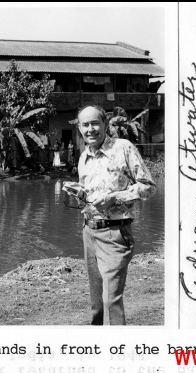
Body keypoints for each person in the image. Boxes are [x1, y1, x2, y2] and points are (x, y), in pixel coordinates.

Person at [62, 105, 156, 325]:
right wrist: (79, 193)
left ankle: (117, 350)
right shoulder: (84, 156)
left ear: (105, 124)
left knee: (110, 299)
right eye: (85, 125)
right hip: (89, 232)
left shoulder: (123, 148)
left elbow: (149, 187)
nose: (90, 129)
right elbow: (89, 196)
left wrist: (115, 197)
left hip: (115, 233)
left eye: (95, 123)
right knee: (97, 302)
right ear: (79, 128)